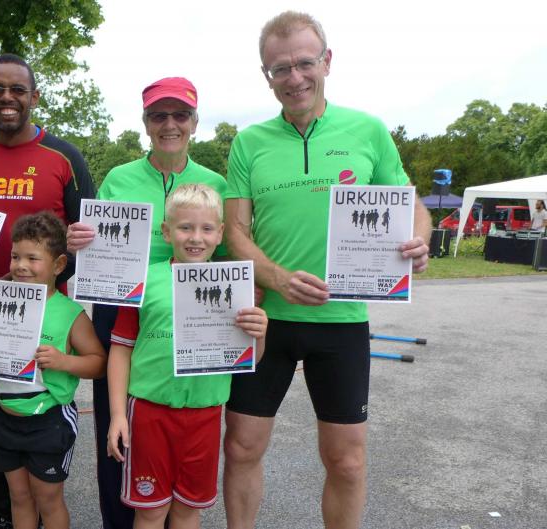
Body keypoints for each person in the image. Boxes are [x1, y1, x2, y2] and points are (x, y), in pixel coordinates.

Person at [222, 12, 431, 529]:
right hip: (265, 319)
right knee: (242, 448)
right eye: (279, 69)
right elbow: (235, 232)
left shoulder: (368, 130)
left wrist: (419, 240)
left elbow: (411, 206)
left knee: (346, 460)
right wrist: (277, 279)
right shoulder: (249, 142)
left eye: (304, 63)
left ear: (327, 61)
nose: (293, 77)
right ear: (266, 76)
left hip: (341, 320)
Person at [66, 77, 227, 529]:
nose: (170, 124)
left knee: (184, 424)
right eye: (159, 115)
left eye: (180, 115)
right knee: (120, 429)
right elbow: (96, 243)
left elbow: (229, 250)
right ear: (145, 122)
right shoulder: (119, 178)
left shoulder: (216, 182)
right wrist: (80, 242)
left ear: (194, 121)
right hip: (122, 308)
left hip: (192, 316)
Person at [0, 53, 95, 529]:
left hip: (48, 311)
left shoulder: (64, 157)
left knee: (43, 406)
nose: (7, 97)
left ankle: (47, 500)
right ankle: (3, 512)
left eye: (17, 89)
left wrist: (68, 281)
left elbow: (90, 233)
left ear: (34, 96)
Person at [106, 184, 267, 529]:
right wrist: (118, 414)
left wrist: (260, 332)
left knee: (188, 510)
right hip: (149, 412)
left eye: (207, 228)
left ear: (220, 233)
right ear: (167, 231)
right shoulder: (144, 280)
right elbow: (120, 348)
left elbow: (250, 358)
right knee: (150, 511)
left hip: (205, 413)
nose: (196, 237)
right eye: (185, 227)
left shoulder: (236, 285)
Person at [0, 211, 105, 529]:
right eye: (15, 256)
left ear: (59, 265)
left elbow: (99, 362)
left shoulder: (70, 313)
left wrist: (64, 361)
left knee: (48, 499)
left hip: (48, 421)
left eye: (33, 258)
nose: (21, 265)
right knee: (19, 497)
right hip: (5, 415)